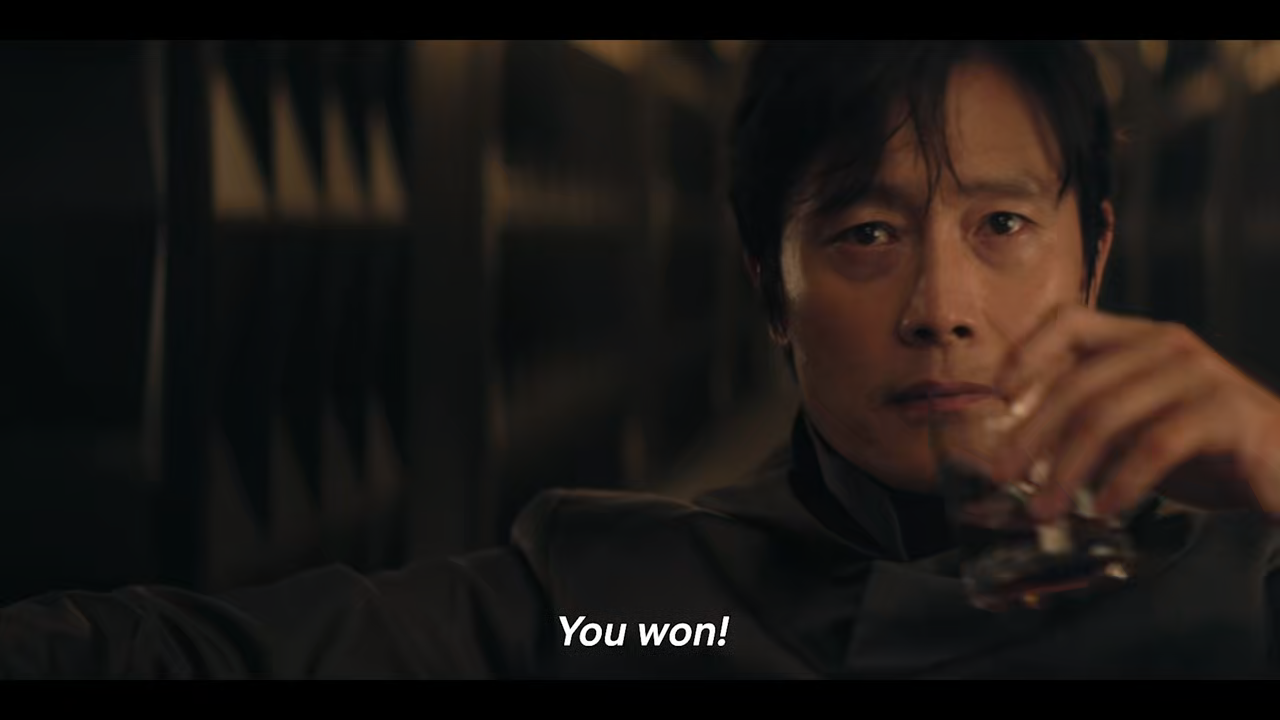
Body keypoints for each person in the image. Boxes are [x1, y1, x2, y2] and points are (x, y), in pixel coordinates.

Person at [6, 40, 1280, 679]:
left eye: (998, 225)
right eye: (864, 234)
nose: (938, 307)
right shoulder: (631, 600)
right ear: (767, 288)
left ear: (1091, 254)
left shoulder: (1243, 590)